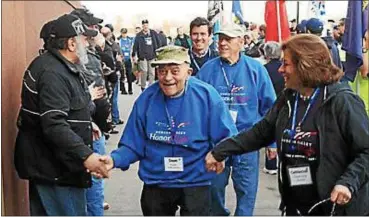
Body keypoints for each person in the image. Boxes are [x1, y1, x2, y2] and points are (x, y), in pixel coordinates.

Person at [205, 34, 369, 216]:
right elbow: (260, 133)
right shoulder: (289, 98)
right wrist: (220, 151)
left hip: (335, 207)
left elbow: (366, 151)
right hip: (297, 206)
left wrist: (347, 183)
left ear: (305, 65)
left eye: (286, 64)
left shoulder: (343, 102)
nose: (280, 70)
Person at [98, 45, 238, 216]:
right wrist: (113, 160)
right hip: (157, 181)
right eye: (162, 71)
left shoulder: (207, 96)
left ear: (189, 72)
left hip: (195, 180)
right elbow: (133, 144)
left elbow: (227, 136)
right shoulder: (146, 99)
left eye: (175, 71)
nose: (168, 77)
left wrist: (220, 154)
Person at [14, 14, 109, 216]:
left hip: (56, 168)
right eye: (84, 38)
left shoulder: (60, 67)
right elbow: (54, 124)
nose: (88, 43)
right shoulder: (52, 73)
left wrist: (84, 121)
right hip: (56, 170)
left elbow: (64, 109)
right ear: (71, 44)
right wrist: (87, 156)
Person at [196, 23, 276, 216]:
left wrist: (272, 143)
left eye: (228, 39)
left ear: (241, 42)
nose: (222, 43)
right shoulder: (207, 70)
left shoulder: (256, 69)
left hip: (247, 142)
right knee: (213, 190)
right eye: (220, 38)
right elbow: (195, 107)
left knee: (246, 193)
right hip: (216, 143)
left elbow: (270, 108)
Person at [132, 19, 161, 91]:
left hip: (152, 55)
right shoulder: (139, 35)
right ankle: (143, 86)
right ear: (142, 26)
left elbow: (158, 42)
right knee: (144, 71)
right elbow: (135, 45)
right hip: (143, 56)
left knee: (152, 72)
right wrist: (134, 55)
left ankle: (151, 86)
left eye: (146, 25)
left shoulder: (153, 33)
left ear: (148, 25)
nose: (145, 27)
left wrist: (158, 52)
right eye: (144, 25)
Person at [118, 28, 135, 95]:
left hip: (128, 59)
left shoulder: (129, 40)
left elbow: (132, 49)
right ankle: (123, 89)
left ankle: (130, 89)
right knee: (122, 75)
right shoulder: (119, 41)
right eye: (123, 33)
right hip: (122, 59)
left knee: (129, 74)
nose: (124, 34)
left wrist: (132, 58)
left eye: (125, 33)